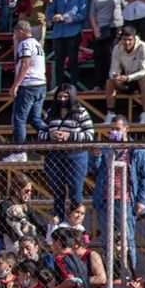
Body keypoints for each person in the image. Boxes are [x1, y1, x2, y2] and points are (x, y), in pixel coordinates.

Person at [38, 84, 94, 221]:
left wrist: (69, 136)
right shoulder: (51, 112)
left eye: (65, 96)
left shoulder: (81, 112)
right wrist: (50, 136)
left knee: (75, 193)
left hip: (76, 155)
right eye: (59, 96)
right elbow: (41, 133)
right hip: (54, 156)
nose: (62, 99)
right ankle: (59, 224)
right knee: (58, 193)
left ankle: (76, 224)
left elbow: (90, 135)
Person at [5, 21, 47, 164]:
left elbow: (25, 64)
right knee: (35, 119)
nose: (15, 36)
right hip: (41, 84)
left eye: (15, 33)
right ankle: (51, 135)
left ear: (20, 31)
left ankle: (20, 151)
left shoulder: (25, 44)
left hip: (28, 85)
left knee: (19, 119)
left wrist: (15, 85)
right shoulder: (37, 43)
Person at [105, 26, 145, 124]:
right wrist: (115, 76)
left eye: (129, 40)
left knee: (143, 79)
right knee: (110, 81)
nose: (127, 43)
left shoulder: (143, 46)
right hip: (129, 78)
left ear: (134, 38)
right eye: (124, 39)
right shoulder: (117, 48)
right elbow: (113, 69)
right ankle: (110, 114)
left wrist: (128, 78)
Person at [45, 0, 88, 90]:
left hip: (73, 32)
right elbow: (51, 11)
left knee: (73, 60)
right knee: (59, 61)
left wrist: (68, 18)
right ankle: (58, 86)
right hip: (58, 32)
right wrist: (53, 17)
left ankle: (73, 86)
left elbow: (83, 14)